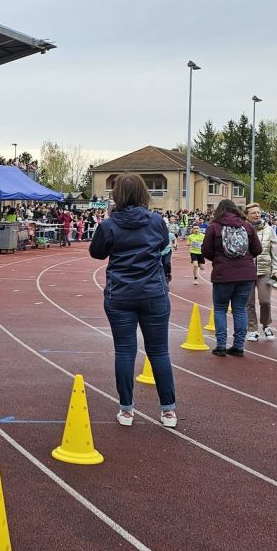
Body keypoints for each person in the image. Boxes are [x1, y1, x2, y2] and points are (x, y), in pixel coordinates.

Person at [87, 173, 178, 427]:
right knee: (159, 351)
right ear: (143, 193)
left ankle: (126, 410)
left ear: (117, 195)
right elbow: (163, 246)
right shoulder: (156, 221)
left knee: (125, 351)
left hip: (121, 293)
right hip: (153, 293)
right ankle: (168, 411)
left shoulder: (109, 225)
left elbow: (96, 253)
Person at [201, 199, 262, 357]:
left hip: (223, 273)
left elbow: (206, 250)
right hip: (246, 274)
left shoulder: (214, 227)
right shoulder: (247, 226)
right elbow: (258, 249)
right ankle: (239, 345)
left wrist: (218, 259)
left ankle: (221, 345)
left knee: (220, 309)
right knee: (240, 309)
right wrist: (246, 259)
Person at [243, 203, 277, 343]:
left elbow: (274, 252)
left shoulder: (269, 230)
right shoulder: (242, 229)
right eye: (253, 213)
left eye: (258, 212)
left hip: (265, 271)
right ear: (247, 215)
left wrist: (276, 269)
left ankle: (266, 325)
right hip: (247, 271)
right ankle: (252, 329)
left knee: (265, 301)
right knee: (249, 302)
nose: (257, 215)